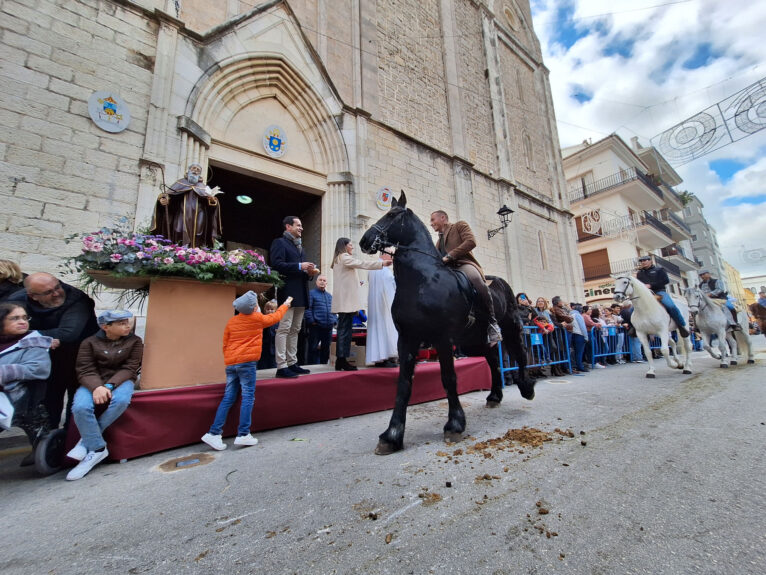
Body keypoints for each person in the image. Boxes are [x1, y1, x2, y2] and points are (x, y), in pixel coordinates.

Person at [7, 273, 99, 429]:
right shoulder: (16, 301)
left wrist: (29, 336)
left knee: (77, 403)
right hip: (47, 359)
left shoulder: (76, 299)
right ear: (33, 296)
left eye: (57, 287)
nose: (57, 293)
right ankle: (48, 444)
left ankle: (70, 441)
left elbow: (68, 333)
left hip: (81, 357)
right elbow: (7, 327)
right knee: (48, 402)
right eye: (48, 292)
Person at [201, 292, 292, 452]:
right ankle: (243, 433)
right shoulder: (256, 319)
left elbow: (225, 343)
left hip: (231, 363)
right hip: (247, 363)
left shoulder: (232, 321)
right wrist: (285, 305)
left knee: (228, 398)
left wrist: (229, 359)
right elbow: (275, 318)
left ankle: (214, 432)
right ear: (254, 307)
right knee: (248, 396)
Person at [66, 310, 143, 481]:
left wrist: (109, 386)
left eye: (127, 322)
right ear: (105, 327)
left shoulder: (135, 341)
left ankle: (86, 442)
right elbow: (84, 369)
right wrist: (97, 387)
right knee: (80, 407)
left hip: (121, 380)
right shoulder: (89, 342)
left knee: (121, 400)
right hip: (93, 382)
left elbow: (131, 368)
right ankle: (98, 448)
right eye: (121, 323)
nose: (127, 326)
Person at [430, 210, 502, 345]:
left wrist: (450, 255)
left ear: (443, 217)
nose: (431, 223)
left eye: (433, 220)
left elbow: (471, 241)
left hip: (463, 264)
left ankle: (493, 323)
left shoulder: (459, 226)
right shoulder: (438, 242)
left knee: (477, 281)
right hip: (448, 270)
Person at [0, 302, 53, 457]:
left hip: (16, 394)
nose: (23, 322)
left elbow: (38, 369)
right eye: (15, 318)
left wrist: (3, 372)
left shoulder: (33, 342)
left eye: (24, 317)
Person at [269, 216, 320, 379]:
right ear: (288, 226)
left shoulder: (300, 248)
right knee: (284, 328)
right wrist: (299, 266)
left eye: (302, 225)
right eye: (298, 225)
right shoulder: (279, 243)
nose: (302, 228)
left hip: (301, 293)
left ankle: (292, 362)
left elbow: (301, 272)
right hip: (288, 292)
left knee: (296, 329)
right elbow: (276, 265)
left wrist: (309, 273)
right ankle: (281, 366)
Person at [330, 238, 390, 371]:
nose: (352, 247)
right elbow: (362, 263)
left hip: (345, 301)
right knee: (345, 331)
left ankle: (341, 360)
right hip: (346, 302)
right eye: (350, 245)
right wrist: (381, 264)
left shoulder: (338, 259)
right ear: (344, 246)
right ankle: (342, 360)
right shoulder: (344, 257)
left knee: (344, 330)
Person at [150, 163, 222, 248]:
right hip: (182, 212)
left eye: (198, 170)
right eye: (193, 168)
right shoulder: (180, 183)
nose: (195, 171)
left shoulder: (203, 188)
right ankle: (178, 251)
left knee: (198, 233)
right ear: (188, 170)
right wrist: (164, 199)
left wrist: (213, 201)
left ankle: (194, 253)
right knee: (179, 230)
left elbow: (212, 206)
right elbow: (169, 196)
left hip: (199, 214)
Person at [635, 255, 690, 338]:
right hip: (646, 294)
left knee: (670, 305)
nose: (643, 262)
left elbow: (666, 281)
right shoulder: (639, 273)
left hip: (660, 292)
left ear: (650, 261)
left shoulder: (659, 270)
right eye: (641, 261)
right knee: (633, 308)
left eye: (645, 260)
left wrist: (651, 285)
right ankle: (635, 327)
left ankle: (681, 325)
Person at [366, 253, 398, 368]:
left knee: (378, 331)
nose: (392, 258)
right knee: (386, 329)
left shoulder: (373, 268)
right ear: (384, 254)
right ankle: (385, 356)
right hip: (384, 306)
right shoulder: (384, 270)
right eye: (391, 255)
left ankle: (378, 358)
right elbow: (391, 287)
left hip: (376, 306)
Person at [305, 275, 336, 365]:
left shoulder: (330, 296)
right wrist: (312, 321)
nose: (322, 282)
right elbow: (307, 309)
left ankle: (323, 367)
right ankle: (311, 367)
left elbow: (334, 310)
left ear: (326, 283)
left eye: (324, 280)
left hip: (328, 327)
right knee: (313, 348)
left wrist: (334, 320)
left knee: (326, 349)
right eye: (320, 280)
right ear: (316, 282)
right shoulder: (311, 293)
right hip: (316, 326)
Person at [257, 300, 279, 370]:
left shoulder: (278, 321)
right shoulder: (262, 320)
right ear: (264, 310)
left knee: (273, 366)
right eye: (268, 309)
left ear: (276, 310)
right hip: (263, 349)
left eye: (272, 309)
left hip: (274, 349)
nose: (269, 311)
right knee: (262, 366)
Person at [569, 303, 589, 374]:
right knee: (579, 352)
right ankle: (580, 366)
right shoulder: (578, 315)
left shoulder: (570, 314)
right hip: (579, 334)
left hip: (572, 334)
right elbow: (582, 327)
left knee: (574, 352)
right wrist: (586, 336)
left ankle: (575, 366)